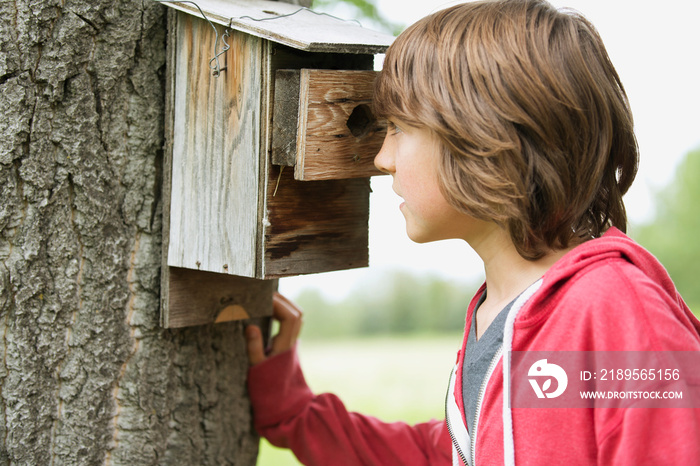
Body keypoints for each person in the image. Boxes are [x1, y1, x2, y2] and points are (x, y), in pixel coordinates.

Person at [244, 1, 700, 464]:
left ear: (482, 136)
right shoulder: (504, 313)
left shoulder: (615, 313)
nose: (382, 158)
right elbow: (452, 454)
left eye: (400, 127)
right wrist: (294, 412)